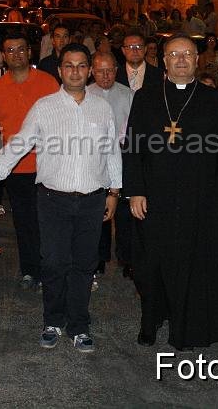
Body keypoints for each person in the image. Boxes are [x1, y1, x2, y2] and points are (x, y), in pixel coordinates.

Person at [0, 43, 122, 353]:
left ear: (89, 70)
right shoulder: (44, 107)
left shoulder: (102, 108)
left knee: (84, 264)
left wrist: (114, 191)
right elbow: (18, 145)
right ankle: (53, 321)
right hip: (53, 199)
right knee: (54, 263)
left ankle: (79, 326)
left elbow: (112, 151)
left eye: (81, 65)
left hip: (93, 199)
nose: (75, 71)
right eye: (68, 65)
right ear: (59, 71)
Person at [124, 33, 218, 350]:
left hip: (198, 199)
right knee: (150, 265)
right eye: (174, 54)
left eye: (187, 54)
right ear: (163, 60)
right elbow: (132, 147)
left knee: (190, 265)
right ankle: (151, 318)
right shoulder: (145, 98)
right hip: (154, 197)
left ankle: (185, 326)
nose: (181, 59)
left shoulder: (213, 100)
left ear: (197, 59)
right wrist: (134, 190)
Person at [0, 33, 59, 291]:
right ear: (3, 55)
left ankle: (50, 269)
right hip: (14, 167)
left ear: (30, 52)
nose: (16, 54)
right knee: (24, 222)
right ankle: (30, 270)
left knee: (48, 221)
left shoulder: (48, 82)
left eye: (20, 49)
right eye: (10, 50)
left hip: (46, 165)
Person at [87, 52, 135, 281]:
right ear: (92, 71)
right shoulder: (85, 94)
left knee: (125, 213)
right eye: (99, 70)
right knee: (98, 210)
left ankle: (127, 257)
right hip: (95, 158)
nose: (105, 75)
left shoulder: (128, 95)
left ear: (116, 70)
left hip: (123, 156)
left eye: (109, 70)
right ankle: (99, 257)